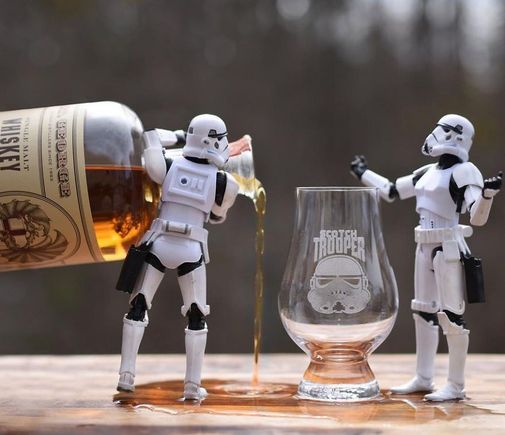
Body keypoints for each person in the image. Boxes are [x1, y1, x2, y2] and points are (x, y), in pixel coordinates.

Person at [350, 114, 502, 401]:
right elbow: (391, 190)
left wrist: (487, 196)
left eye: (442, 129)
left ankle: (455, 385)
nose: (435, 134)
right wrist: (363, 174)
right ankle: (424, 376)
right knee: (422, 311)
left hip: (447, 246)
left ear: (456, 136)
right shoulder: (426, 172)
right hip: (423, 245)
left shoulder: (465, 172)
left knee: (451, 316)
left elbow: (477, 217)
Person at [117, 114, 239, 400]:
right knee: (196, 314)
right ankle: (192, 385)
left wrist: (178, 136)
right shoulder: (225, 183)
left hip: (160, 243)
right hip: (191, 249)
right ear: (214, 141)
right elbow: (218, 216)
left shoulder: (168, 165)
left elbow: (150, 135)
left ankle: (126, 375)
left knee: (138, 306)